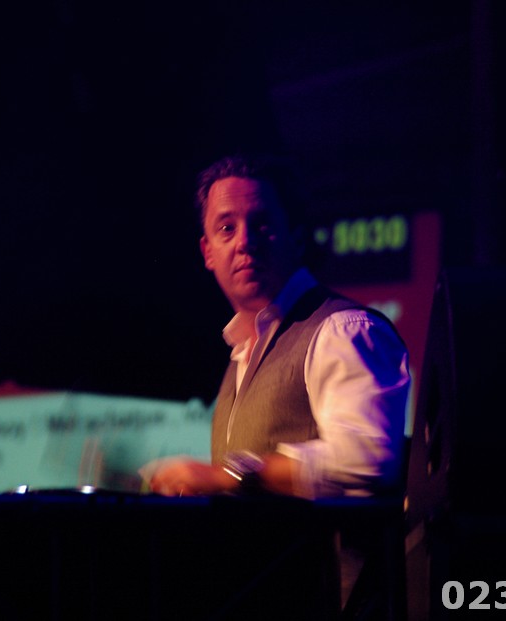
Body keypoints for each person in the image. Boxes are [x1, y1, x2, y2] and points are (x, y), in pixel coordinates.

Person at [149, 154, 410, 501]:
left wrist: (229, 475)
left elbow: (370, 459)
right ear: (207, 252)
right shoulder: (239, 354)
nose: (245, 242)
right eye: (227, 228)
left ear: (297, 239)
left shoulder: (343, 330)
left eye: (262, 224)